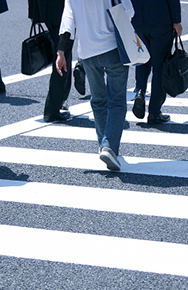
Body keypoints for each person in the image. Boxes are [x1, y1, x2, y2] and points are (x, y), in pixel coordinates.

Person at [56, 0, 134, 171]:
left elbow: (67, 22)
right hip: (113, 47)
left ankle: (103, 145)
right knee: (117, 101)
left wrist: (60, 52)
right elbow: (128, 11)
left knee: (98, 100)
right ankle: (109, 147)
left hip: (88, 52)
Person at [130, 0, 183, 124]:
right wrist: (176, 21)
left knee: (142, 59)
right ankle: (154, 111)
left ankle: (139, 91)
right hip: (161, 19)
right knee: (160, 67)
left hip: (138, 19)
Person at [28, 0, 73, 122]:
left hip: (45, 8)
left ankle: (60, 100)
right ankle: (52, 109)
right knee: (63, 55)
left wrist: (33, 12)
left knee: (64, 54)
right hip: (64, 10)